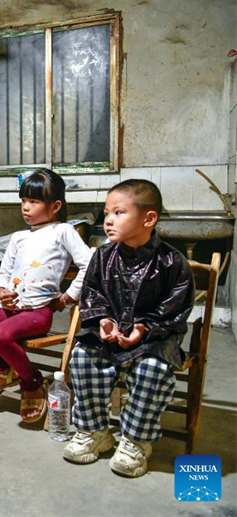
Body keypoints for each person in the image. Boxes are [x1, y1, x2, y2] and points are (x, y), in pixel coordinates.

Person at [62, 179, 194, 478]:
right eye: (107, 212)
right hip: (112, 334)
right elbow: (92, 294)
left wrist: (144, 329)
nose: (108, 220)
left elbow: (175, 311)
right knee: (83, 357)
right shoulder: (102, 256)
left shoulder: (172, 262)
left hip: (154, 339)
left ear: (149, 218)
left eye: (119, 212)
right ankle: (94, 431)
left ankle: (136, 441)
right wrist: (102, 320)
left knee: (152, 370)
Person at [0, 169, 92, 423]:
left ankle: (31, 381)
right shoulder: (19, 237)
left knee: (1, 335)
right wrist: (1, 291)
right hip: (11, 310)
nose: (25, 207)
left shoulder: (63, 232)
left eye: (34, 201)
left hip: (38, 313)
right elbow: (3, 273)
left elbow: (89, 264)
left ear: (55, 206)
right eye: (23, 201)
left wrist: (67, 297)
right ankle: (1, 368)